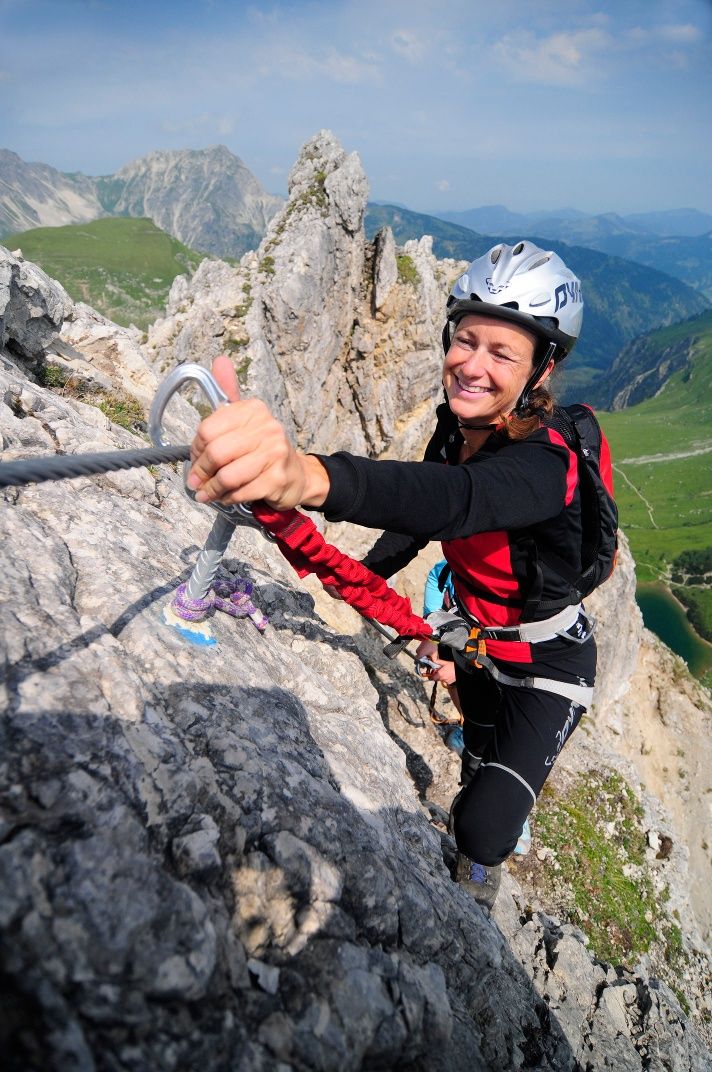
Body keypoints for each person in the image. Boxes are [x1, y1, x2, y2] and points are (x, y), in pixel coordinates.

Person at [187, 240, 596, 910]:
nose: (472, 365)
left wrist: (307, 476)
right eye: (466, 341)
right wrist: (356, 579)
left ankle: (483, 858)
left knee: (483, 830)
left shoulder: (545, 465)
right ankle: (481, 764)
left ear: (539, 371)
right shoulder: (456, 430)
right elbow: (422, 518)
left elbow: (457, 503)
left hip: (552, 660)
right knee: (479, 746)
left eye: (502, 354)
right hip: (475, 639)